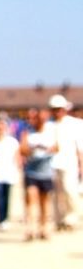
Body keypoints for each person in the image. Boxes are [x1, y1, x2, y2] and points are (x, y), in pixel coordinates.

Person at [20, 107, 57, 241]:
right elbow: (22, 150)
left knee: (44, 202)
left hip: (46, 172)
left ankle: (44, 227)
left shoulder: (50, 132)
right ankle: (30, 227)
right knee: (31, 199)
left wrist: (47, 149)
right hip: (31, 172)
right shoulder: (28, 133)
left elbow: (57, 147)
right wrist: (31, 150)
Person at [48, 94, 82, 230]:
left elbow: (80, 147)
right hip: (52, 164)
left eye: (59, 109)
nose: (57, 112)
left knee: (70, 191)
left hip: (69, 163)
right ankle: (59, 219)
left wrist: (81, 165)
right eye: (54, 109)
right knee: (56, 194)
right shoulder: (49, 125)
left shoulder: (75, 124)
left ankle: (71, 218)